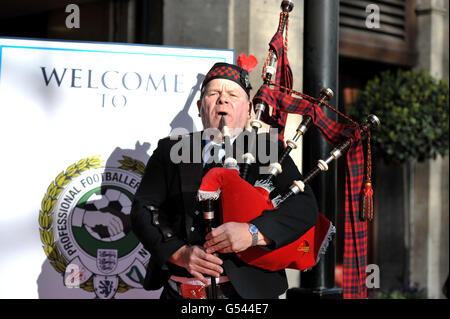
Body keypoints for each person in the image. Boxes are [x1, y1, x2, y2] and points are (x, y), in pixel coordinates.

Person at [130, 62, 318, 299]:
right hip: (179, 294)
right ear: (200, 107)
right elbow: (143, 209)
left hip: (248, 296)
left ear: (248, 110)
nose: (222, 100)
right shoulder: (171, 149)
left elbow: (303, 208)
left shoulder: (267, 149)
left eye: (232, 94)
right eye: (213, 94)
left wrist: (252, 233)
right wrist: (179, 253)